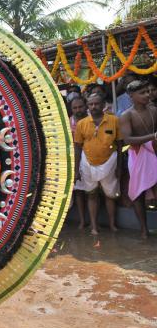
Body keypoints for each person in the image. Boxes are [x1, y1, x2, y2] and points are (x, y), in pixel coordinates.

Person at [74, 93, 123, 240]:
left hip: (110, 162)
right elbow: (77, 147)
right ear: (88, 106)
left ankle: (112, 224)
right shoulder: (82, 123)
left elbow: (120, 145)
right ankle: (94, 227)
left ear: (103, 105)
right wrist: (77, 170)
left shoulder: (114, 120)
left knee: (110, 195)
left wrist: (120, 166)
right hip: (87, 162)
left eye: (96, 104)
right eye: (91, 104)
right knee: (91, 194)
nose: (93, 107)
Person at [119, 80, 157, 239]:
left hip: (155, 152)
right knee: (138, 193)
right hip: (137, 155)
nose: (147, 95)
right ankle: (143, 229)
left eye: (148, 91)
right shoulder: (126, 115)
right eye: (142, 93)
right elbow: (128, 140)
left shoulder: (154, 110)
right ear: (131, 96)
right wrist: (152, 137)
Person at [69, 96, 89, 229]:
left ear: (85, 106)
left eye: (80, 107)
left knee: (94, 191)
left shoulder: (91, 120)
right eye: (75, 108)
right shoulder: (67, 122)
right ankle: (82, 221)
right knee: (78, 191)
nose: (78, 110)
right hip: (74, 160)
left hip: (91, 158)